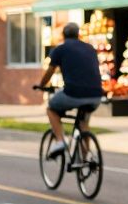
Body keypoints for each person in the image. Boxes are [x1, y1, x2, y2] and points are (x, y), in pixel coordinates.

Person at [37, 22, 104, 158]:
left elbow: (49, 72)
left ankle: (60, 141)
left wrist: (41, 85)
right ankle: (85, 159)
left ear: (63, 35)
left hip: (74, 93)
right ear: (78, 34)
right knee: (84, 123)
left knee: (51, 108)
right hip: (96, 95)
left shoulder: (60, 49)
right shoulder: (90, 49)